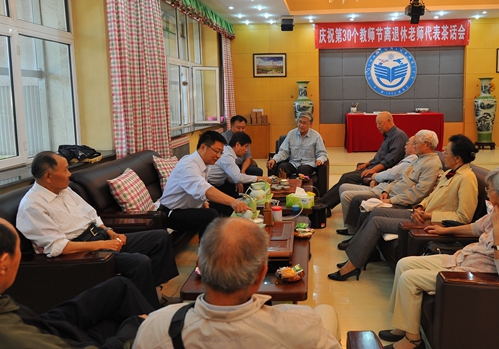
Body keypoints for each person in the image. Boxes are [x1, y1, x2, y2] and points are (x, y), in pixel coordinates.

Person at [377, 165, 499, 349]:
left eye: (489, 190)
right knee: (404, 264)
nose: (487, 194)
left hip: (480, 276)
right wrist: (445, 231)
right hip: (463, 259)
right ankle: (405, 327)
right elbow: (476, 228)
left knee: (410, 279)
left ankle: (413, 341)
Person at [133, 217, 342, 349]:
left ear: (200, 266)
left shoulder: (156, 327)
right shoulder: (302, 324)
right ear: (261, 275)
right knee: (326, 311)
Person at [17, 152, 179, 310]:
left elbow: (91, 214)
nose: (69, 174)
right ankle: (147, 310)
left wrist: (110, 232)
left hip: (99, 236)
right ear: (48, 176)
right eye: (65, 170)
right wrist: (104, 244)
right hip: (81, 252)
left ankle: (153, 294)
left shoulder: (64, 190)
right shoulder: (33, 206)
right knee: (139, 262)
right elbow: (60, 247)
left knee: (160, 238)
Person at [0, 214, 155, 349]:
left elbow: (36, 323)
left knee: (119, 287)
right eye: (18, 249)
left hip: (46, 325)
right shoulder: (10, 337)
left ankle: (156, 323)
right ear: (2, 264)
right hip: (67, 341)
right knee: (131, 320)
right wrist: (133, 328)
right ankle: (155, 328)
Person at [329, 134, 479, 281]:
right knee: (375, 211)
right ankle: (360, 255)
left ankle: (352, 266)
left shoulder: (467, 178)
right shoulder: (449, 173)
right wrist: (420, 206)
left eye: (446, 152)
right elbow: (430, 196)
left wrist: (430, 216)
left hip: (432, 223)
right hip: (419, 214)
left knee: (377, 222)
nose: (443, 154)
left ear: (457, 158)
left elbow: (463, 217)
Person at [338, 130, 443, 245]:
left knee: (364, 203)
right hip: (391, 194)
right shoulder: (419, 159)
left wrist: (391, 200)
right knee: (363, 203)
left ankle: (357, 241)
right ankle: (356, 239)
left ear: (427, 145)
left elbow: (419, 192)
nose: (413, 146)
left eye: (416, 143)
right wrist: (386, 190)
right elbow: (400, 178)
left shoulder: (431, 164)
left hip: (401, 202)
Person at [320, 111, 408, 213]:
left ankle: (324, 204)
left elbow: (390, 160)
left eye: (379, 123)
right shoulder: (388, 135)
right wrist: (367, 164)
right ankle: (324, 202)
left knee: (347, 178)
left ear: (389, 121)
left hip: (382, 172)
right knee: (347, 176)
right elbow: (379, 156)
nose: (377, 126)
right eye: (376, 124)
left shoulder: (398, 136)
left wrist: (372, 170)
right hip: (375, 166)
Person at [336, 136, 417, 236]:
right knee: (343, 187)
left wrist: (375, 176)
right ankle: (350, 228)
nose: (404, 146)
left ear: (415, 146)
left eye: (407, 144)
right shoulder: (407, 158)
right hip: (383, 186)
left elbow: (392, 174)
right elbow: (394, 175)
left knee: (346, 195)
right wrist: (375, 179)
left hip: (384, 191)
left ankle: (352, 231)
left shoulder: (413, 159)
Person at [160, 130, 249, 219]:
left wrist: (204, 202)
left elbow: (199, 190)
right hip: (172, 212)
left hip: (190, 207)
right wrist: (233, 202)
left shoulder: (204, 164)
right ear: (203, 147)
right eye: (216, 151)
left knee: (225, 206)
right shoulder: (188, 165)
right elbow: (203, 188)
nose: (219, 156)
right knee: (211, 214)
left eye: (221, 152)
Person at [208, 132, 271, 198]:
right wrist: (260, 178)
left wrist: (237, 181)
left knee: (242, 186)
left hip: (222, 181)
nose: (246, 150)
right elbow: (238, 177)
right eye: (245, 146)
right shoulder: (227, 156)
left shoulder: (228, 151)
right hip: (213, 185)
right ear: (237, 144)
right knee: (240, 192)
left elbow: (232, 175)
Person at [267, 112, 328, 178]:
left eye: (304, 123)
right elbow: (284, 152)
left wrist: (320, 160)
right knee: (282, 167)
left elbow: (322, 153)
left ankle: (302, 184)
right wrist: (274, 159)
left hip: (308, 164)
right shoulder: (291, 134)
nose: (301, 125)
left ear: (310, 124)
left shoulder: (316, 136)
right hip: (293, 164)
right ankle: (283, 184)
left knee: (303, 169)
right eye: (300, 122)